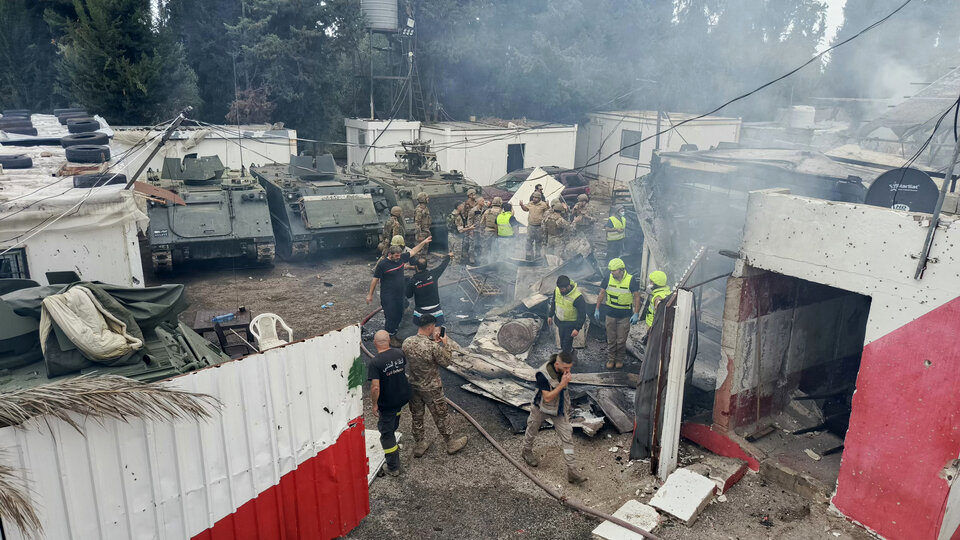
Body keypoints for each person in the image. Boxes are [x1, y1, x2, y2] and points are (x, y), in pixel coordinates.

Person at [402, 314, 468, 457]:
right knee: (441, 415)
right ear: (431, 327)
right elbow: (446, 362)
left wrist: (433, 343)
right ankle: (450, 443)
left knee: (417, 416)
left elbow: (419, 351)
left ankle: (420, 444)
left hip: (413, 385)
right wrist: (445, 345)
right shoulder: (432, 347)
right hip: (431, 388)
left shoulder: (407, 342)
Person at [520, 351, 588, 485]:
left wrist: (565, 382)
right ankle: (526, 451)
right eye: (566, 368)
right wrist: (562, 384)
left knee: (567, 438)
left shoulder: (563, 371)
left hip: (559, 409)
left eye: (570, 368)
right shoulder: (542, 375)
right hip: (541, 408)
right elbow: (547, 397)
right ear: (557, 364)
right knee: (532, 429)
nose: (568, 371)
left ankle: (572, 471)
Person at [367, 236, 432, 343]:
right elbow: (375, 280)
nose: (398, 258)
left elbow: (414, 251)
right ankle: (389, 339)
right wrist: (370, 295)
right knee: (390, 316)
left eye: (399, 256)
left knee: (399, 314)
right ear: (389, 255)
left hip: (400, 294)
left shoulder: (401, 258)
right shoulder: (383, 264)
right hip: (388, 296)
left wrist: (424, 242)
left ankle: (394, 334)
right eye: (396, 257)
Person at [369, 330, 411, 476]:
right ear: (389, 341)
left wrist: (374, 405)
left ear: (375, 344)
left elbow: (375, 387)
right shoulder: (399, 353)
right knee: (394, 419)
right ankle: (393, 435)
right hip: (402, 398)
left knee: (386, 434)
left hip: (388, 403)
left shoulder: (375, 362)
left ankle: (393, 467)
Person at [594, 257, 641, 369]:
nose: (612, 273)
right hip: (610, 314)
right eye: (611, 271)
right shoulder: (607, 278)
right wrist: (597, 308)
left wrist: (636, 313)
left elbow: (637, 296)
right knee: (611, 339)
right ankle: (611, 359)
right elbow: (601, 294)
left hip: (624, 316)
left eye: (613, 271)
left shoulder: (631, 280)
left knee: (621, 340)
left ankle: (619, 359)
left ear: (621, 270)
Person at [406, 252, 452, 326]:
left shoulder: (413, 280)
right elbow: (443, 266)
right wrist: (449, 256)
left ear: (416, 267)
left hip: (421, 310)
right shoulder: (433, 274)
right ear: (426, 266)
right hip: (435, 308)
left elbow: (408, 295)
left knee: (422, 328)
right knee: (437, 329)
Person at [547, 275, 587, 355]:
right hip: (560, 322)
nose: (561, 290)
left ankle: (566, 363)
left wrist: (577, 328)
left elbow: (582, 314)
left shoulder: (577, 297)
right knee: (562, 343)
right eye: (559, 288)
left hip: (571, 324)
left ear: (568, 286)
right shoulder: (557, 290)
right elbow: (554, 303)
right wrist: (550, 315)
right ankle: (572, 353)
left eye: (562, 289)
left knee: (566, 345)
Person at [519, 191, 549, 260]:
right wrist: (522, 205)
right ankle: (528, 255)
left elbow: (548, 211)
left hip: (539, 226)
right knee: (529, 241)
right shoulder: (530, 204)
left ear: (539, 198)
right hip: (531, 226)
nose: (534, 199)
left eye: (536, 197)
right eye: (533, 197)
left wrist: (548, 205)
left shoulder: (543, 205)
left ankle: (537, 255)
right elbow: (525, 209)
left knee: (538, 241)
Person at [466, 196, 486, 264]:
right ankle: (471, 257)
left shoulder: (484, 209)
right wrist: (470, 229)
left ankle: (479, 257)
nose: (484, 202)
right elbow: (469, 221)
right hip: (474, 230)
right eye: (482, 201)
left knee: (481, 244)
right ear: (478, 202)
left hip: (481, 230)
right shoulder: (473, 210)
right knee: (472, 244)